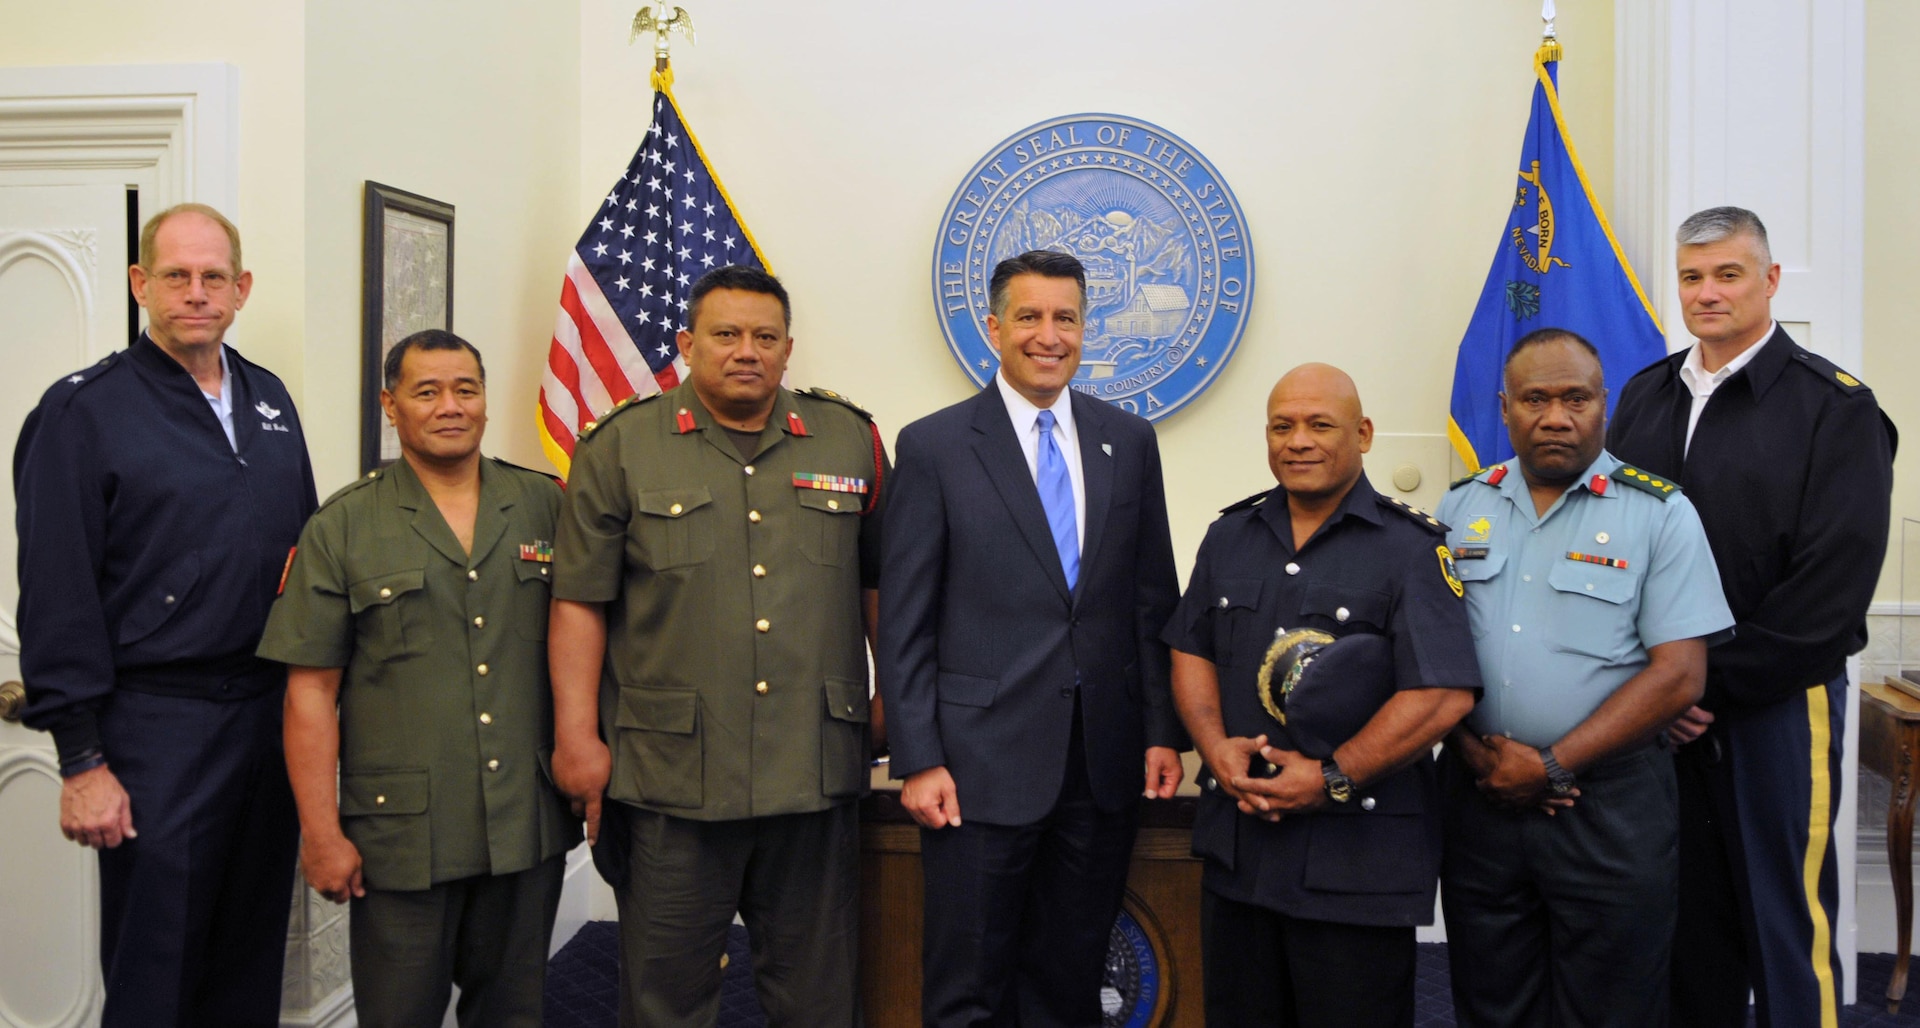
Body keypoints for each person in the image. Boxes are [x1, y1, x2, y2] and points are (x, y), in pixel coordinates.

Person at [547, 265, 888, 1026]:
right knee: (666, 994)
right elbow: (579, 603)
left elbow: (881, 584)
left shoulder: (848, 438)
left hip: (813, 764)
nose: (747, 351)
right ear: (685, 344)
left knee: (818, 994)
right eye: (726, 334)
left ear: (788, 347)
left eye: (765, 337)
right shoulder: (622, 446)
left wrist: (890, 692)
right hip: (673, 773)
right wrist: (576, 737)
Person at [12, 203, 317, 1026]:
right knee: (159, 969)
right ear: (141, 284)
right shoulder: (83, 412)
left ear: (241, 289)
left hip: (265, 715)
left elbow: (306, 559)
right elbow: (56, 593)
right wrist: (81, 761)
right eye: (176, 276)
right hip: (157, 727)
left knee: (250, 957)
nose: (196, 293)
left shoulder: (270, 400)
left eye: (213, 277)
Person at [879, 250, 1186, 1027]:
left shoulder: (1130, 440)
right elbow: (905, 619)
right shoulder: (935, 446)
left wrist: (1161, 733)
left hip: (1100, 765)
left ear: (1085, 330)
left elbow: (1152, 601)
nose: (1048, 335)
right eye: (1029, 317)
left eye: (1066, 318)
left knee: (1069, 981)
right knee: (969, 986)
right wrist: (918, 757)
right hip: (975, 770)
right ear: (994, 327)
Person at [1607, 206, 1897, 1027]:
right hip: (1662, 708)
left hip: (1775, 702)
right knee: (1682, 920)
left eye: (1728, 274)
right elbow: (1617, 548)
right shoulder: (1645, 395)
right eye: (1692, 277)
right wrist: (1658, 688)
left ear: (1770, 281)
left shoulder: (1833, 407)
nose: (1708, 292)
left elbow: (1831, 589)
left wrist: (1701, 685)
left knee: (1785, 923)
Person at [257, 330, 579, 1026]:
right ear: (391, 405)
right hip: (400, 836)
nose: (450, 406)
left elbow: (589, 651)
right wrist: (320, 833)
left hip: (525, 820)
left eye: (466, 389)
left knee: (514, 1013)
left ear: (486, 401)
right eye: (426, 391)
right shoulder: (343, 526)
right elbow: (310, 694)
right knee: (399, 1015)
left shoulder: (544, 505)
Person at [1162, 362, 1479, 1028]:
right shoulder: (1230, 537)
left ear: (1362, 434)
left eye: (1319, 424)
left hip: (1354, 864)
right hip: (1241, 854)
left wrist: (1331, 777)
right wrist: (1211, 746)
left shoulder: (1411, 548)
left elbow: (1442, 694)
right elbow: (1191, 648)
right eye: (1282, 426)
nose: (1298, 440)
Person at [1436, 329, 1734, 1027]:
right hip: (1482, 798)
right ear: (1505, 408)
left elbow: (1680, 677)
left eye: (1576, 398)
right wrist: (1482, 758)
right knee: (1490, 999)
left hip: (1610, 807)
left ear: (1605, 406)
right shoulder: (1457, 511)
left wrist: (1549, 765)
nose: (1556, 416)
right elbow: (1424, 653)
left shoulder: (1661, 514)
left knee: (1613, 1006)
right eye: (1536, 399)